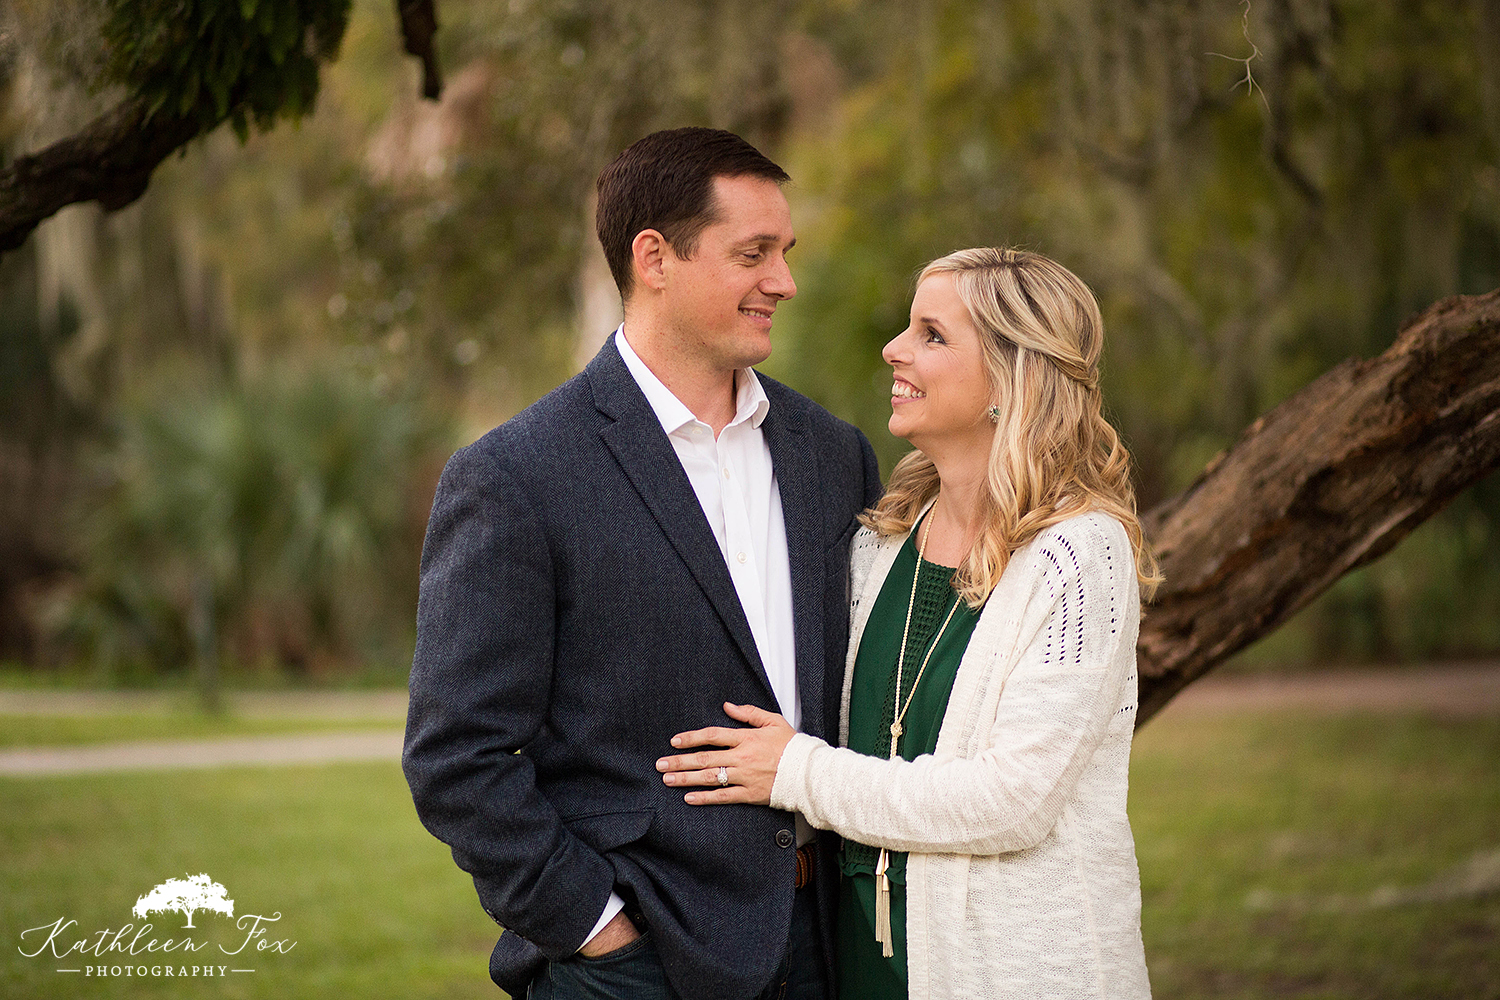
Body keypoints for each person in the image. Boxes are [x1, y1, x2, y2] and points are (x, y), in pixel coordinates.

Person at [402, 127, 881, 1000]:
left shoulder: (831, 455)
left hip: (828, 947)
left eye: (786, 251)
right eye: (754, 253)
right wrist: (598, 931)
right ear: (655, 257)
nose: (785, 281)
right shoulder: (516, 476)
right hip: (640, 963)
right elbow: (456, 755)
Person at [658, 247, 1160, 999]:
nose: (894, 348)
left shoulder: (1079, 554)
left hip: (1017, 976)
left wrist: (797, 770)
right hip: (863, 963)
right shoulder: (879, 544)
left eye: (932, 335)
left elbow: (1012, 800)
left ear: (1012, 377)